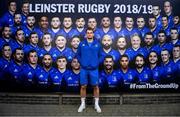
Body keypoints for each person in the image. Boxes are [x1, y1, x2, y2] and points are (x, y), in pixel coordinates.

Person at [77, 27, 101, 113]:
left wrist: (96, 63)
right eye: (88, 32)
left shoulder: (97, 44)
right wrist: (82, 63)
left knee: (96, 86)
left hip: (94, 69)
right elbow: (78, 55)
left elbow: (101, 56)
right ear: (86, 34)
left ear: (93, 34)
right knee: (83, 86)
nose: (89, 34)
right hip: (84, 69)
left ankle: (96, 104)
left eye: (91, 32)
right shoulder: (82, 44)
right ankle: (82, 104)